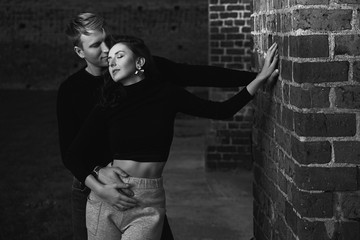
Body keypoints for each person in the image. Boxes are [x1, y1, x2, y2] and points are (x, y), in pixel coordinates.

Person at [57, 12, 269, 240]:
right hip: (91, 184)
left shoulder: (144, 71)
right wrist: (98, 175)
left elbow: (198, 75)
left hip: (141, 189)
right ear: (80, 52)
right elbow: (70, 152)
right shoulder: (73, 91)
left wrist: (256, 77)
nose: (107, 50)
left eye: (108, 41)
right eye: (96, 45)